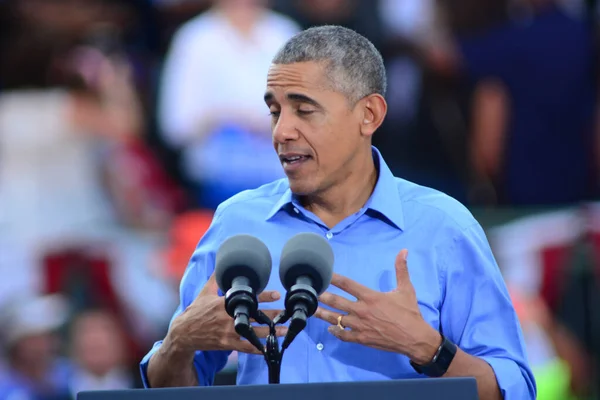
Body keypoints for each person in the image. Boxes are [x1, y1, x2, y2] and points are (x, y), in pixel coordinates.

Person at [140, 25, 536, 400]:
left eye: (304, 110)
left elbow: (513, 388)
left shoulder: (443, 227)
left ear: (370, 115)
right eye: (275, 111)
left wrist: (427, 347)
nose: (281, 132)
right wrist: (178, 343)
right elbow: (169, 388)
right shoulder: (237, 223)